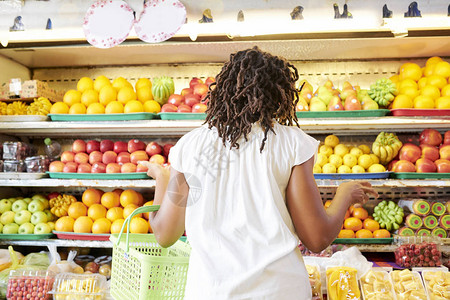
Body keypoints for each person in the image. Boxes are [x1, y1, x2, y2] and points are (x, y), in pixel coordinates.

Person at [139, 47, 378, 299]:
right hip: (279, 290)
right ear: (279, 95)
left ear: (223, 91)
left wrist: (162, 181)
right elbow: (317, 238)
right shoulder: (292, 144)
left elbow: (165, 234)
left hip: (211, 292)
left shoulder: (190, 147)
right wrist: (345, 194)